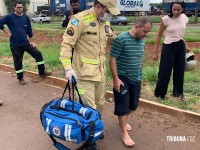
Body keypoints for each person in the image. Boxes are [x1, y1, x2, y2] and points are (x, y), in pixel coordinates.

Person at [60, 0, 120, 149]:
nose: (110, 14)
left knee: (100, 104)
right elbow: (67, 44)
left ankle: (95, 128)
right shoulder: (79, 19)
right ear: (98, 6)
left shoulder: (105, 22)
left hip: (100, 73)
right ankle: (89, 141)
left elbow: (114, 38)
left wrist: (131, 36)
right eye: (108, 11)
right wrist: (68, 68)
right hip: (83, 74)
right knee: (88, 107)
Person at [109, 16, 152, 147]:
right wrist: (116, 79)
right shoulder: (121, 39)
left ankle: (124, 119)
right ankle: (124, 133)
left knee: (133, 105)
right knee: (122, 104)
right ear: (137, 26)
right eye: (145, 31)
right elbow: (112, 59)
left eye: (148, 32)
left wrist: (140, 74)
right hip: (122, 79)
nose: (146, 34)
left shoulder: (142, 40)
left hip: (136, 78)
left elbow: (139, 59)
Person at [0, 1, 52, 85]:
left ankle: (42, 73)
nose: (20, 9)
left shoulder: (26, 17)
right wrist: (7, 32)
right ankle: (20, 78)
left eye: (21, 7)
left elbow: (29, 30)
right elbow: (0, 23)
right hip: (15, 44)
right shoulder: (10, 17)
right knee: (18, 61)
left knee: (38, 54)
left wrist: (31, 41)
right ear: (14, 8)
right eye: (18, 7)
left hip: (26, 43)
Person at [153, 1, 190, 100]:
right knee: (165, 70)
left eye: (178, 9)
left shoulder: (185, 18)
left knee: (179, 70)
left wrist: (185, 46)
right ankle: (159, 94)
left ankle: (178, 93)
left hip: (180, 46)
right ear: (171, 9)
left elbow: (181, 34)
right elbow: (158, 36)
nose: (176, 11)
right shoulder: (165, 19)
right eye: (174, 9)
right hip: (168, 46)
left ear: (182, 9)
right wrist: (155, 51)